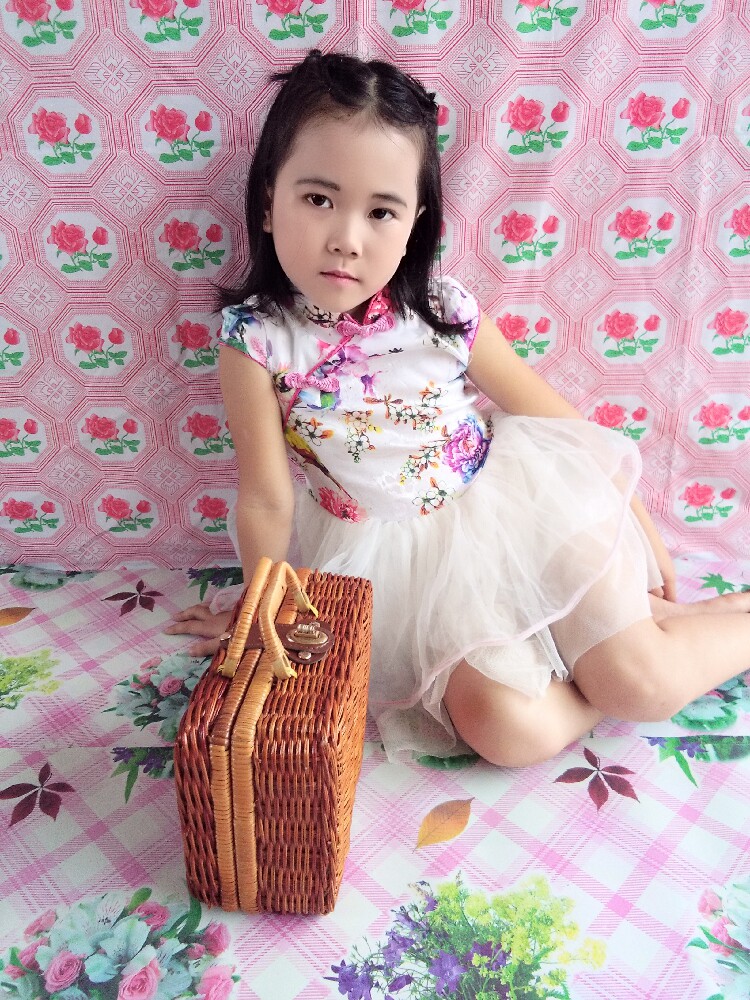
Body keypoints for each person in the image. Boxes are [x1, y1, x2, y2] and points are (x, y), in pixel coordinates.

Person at [166, 50, 750, 767]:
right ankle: (609, 643)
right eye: (318, 199)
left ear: (414, 224)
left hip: (518, 512)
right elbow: (264, 498)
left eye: (381, 212)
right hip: (394, 567)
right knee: (507, 733)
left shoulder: (442, 314)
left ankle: (681, 630)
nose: (347, 237)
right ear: (266, 199)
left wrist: (637, 522)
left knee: (640, 685)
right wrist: (263, 605)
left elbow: (557, 419)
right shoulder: (255, 342)